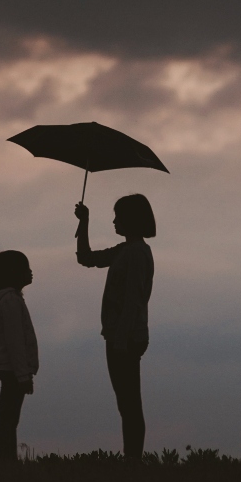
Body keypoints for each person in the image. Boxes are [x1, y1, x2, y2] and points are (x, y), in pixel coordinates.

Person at [74, 194, 156, 460]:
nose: (114, 220)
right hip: (120, 336)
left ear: (131, 220)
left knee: (130, 402)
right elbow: (86, 258)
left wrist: (121, 339)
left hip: (127, 338)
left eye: (118, 216)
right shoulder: (124, 250)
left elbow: (133, 299)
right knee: (126, 402)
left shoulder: (137, 253)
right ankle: (132, 458)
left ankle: (133, 460)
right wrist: (83, 222)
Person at [0, 250, 39, 463]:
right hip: (13, 371)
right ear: (15, 273)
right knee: (8, 420)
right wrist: (23, 375)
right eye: (26, 268)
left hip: (11, 370)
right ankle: (7, 461)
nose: (30, 272)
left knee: (8, 418)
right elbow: (15, 342)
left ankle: (8, 460)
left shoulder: (12, 301)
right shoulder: (11, 302)